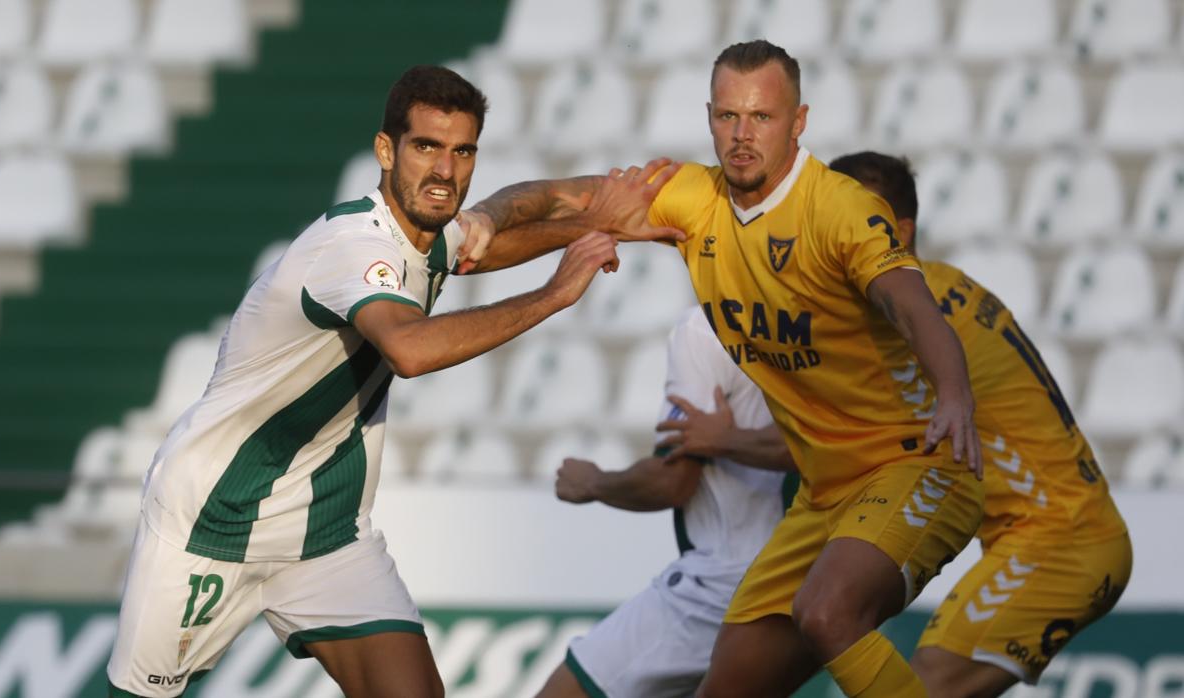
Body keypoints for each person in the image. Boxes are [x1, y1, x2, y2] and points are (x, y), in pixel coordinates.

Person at [105, 65, 680, 698]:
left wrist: (612, 209)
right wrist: (554, 293)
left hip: (325, 528)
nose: (445, 169)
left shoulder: (421, 233)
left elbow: (507, 223)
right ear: (387, 150)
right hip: (213, 518)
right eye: (426, 147)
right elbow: (408, 350)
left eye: (462, 152)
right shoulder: (356, 246)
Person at [469, 40, 984, 697]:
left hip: (910, 464)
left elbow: (910, 304)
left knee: (826, 614)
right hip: (822, 497)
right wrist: (480, 223)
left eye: (761, 118)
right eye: (726, 117)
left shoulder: (838, 210)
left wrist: (953, 392)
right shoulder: (693, 197)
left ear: (797, 123)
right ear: (708, 115)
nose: (741, 136)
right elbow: (566, 200)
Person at [825, 151, 1133, 697]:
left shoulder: (914, 315)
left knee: (924, 688)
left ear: (899, 231)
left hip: (1059, 540)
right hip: (1053, 534)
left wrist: (722, 440)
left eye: (849, 220)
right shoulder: (940, 287)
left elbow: (835, 438)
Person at [534, 305, 799, 698]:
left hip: (725, 581)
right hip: (814, 573)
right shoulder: (832, 315)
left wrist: (592, 482)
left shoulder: (709, 327)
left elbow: (672, 482)